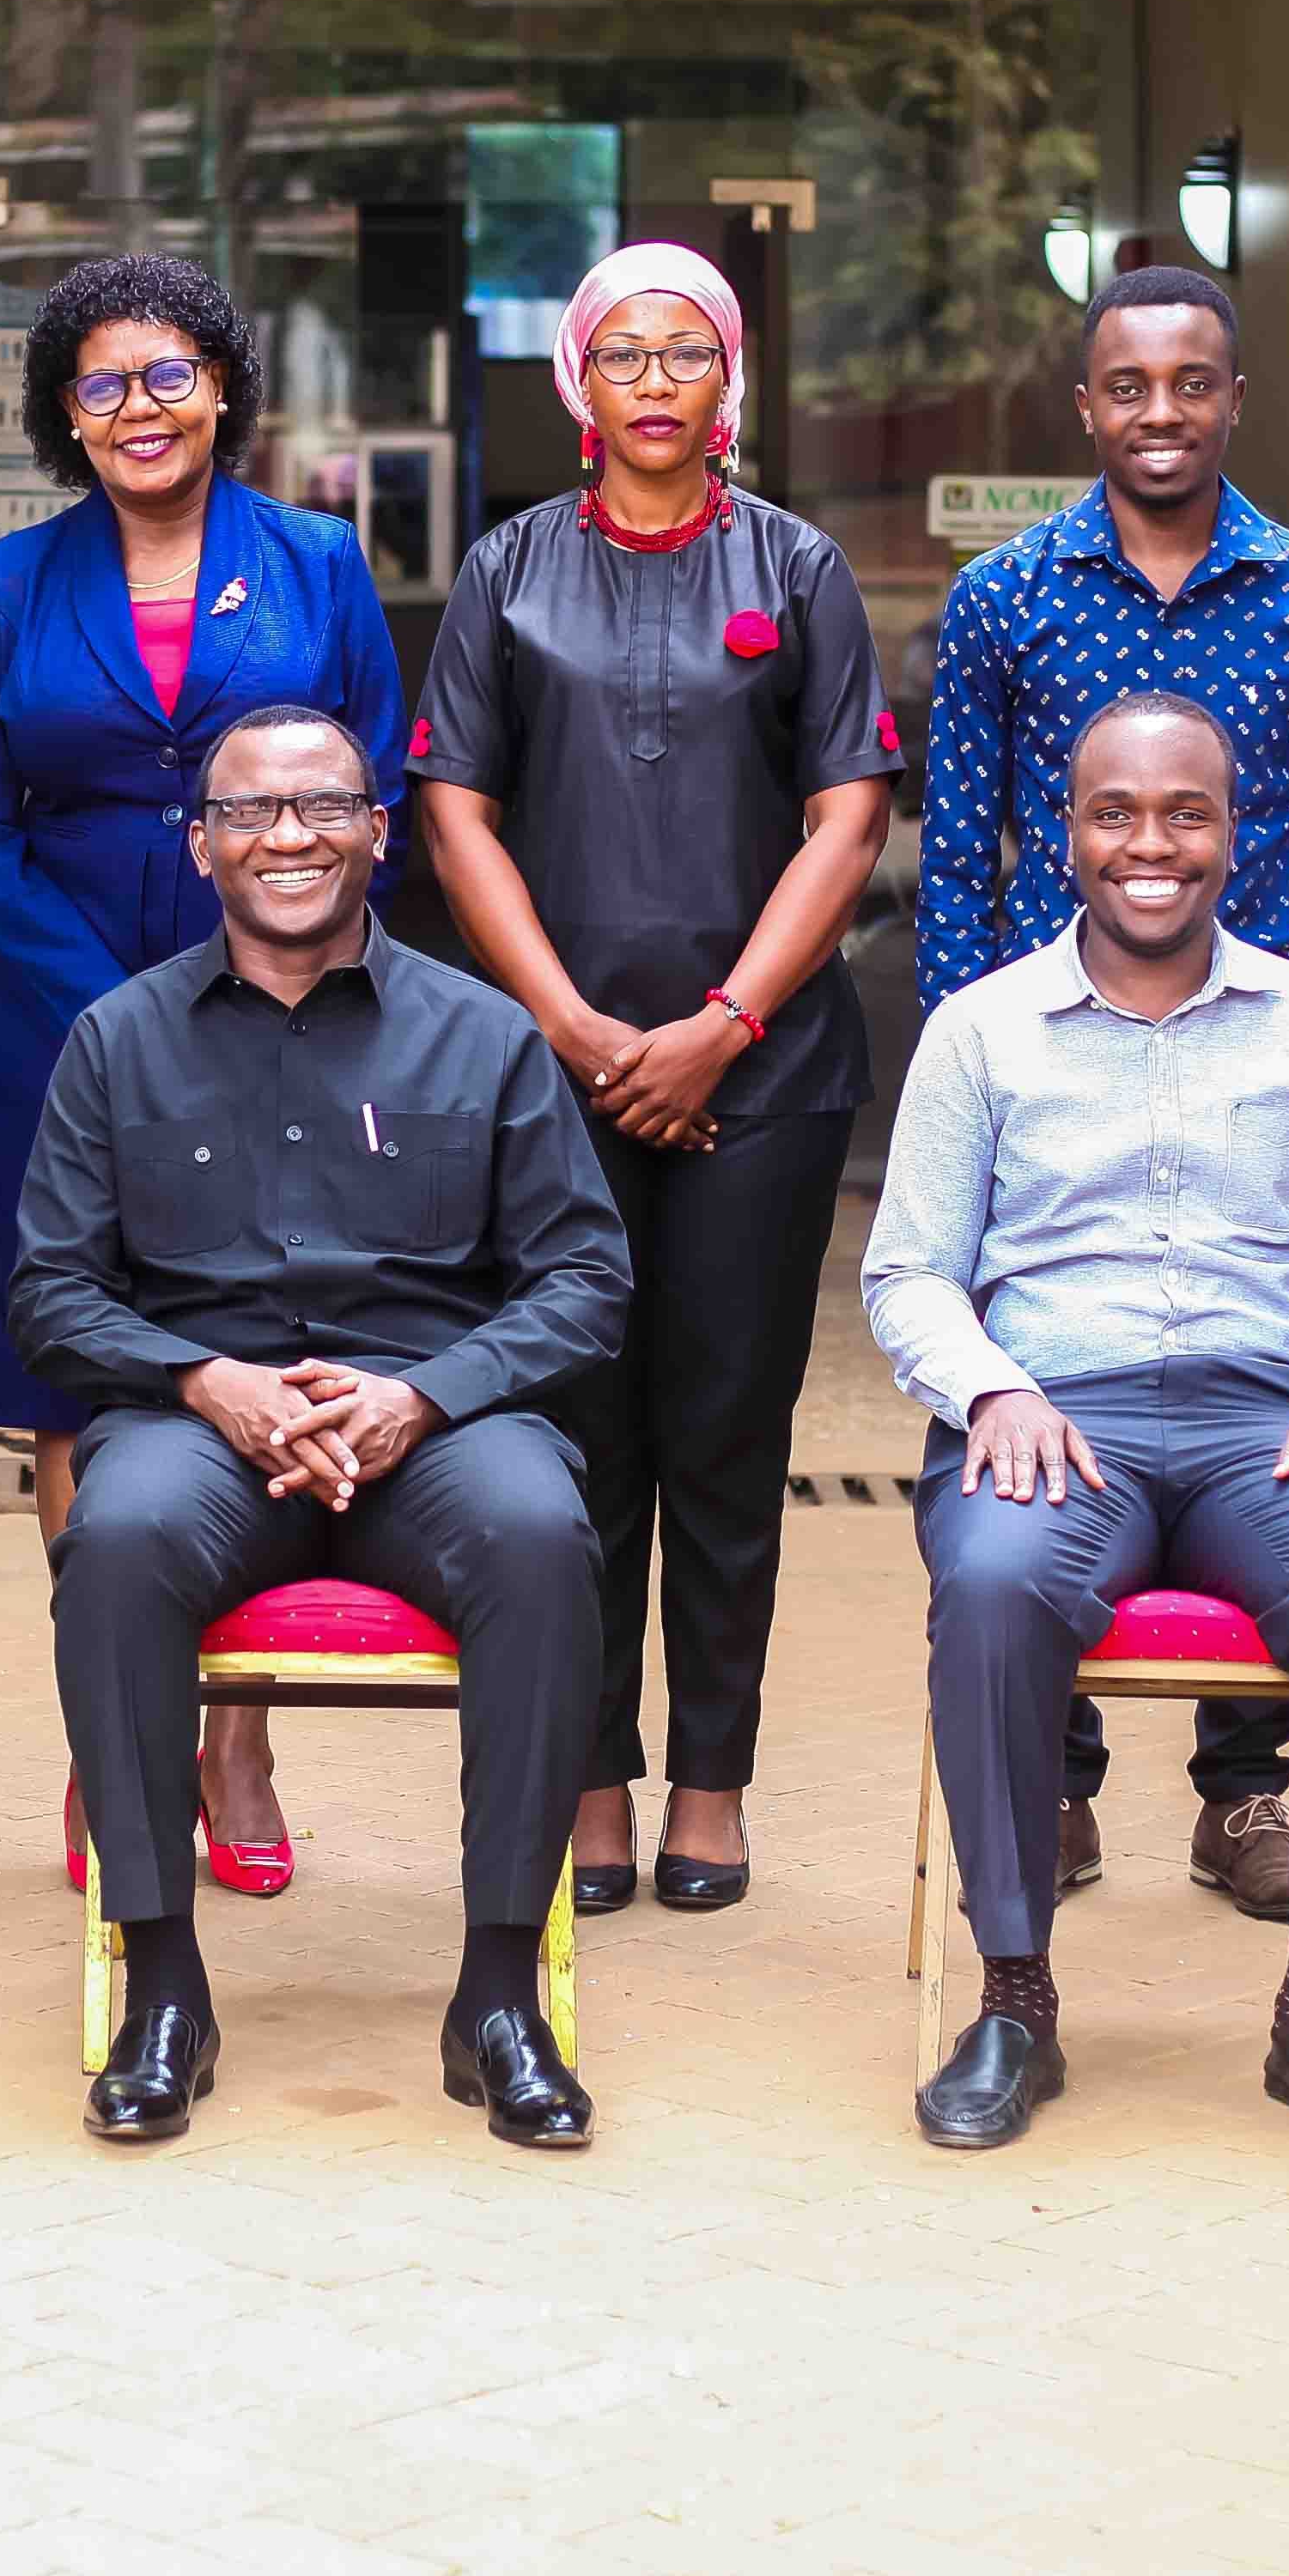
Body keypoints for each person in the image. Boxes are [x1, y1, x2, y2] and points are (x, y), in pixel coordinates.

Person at [14, 706, 630, 2150]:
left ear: (376, 830)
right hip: (204, 1424)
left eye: (318, 807)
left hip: (432, 1418)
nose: (284, 835)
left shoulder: (483, 1036)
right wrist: (200, 1378)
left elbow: (589, 1276)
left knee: (544, 1533)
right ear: (201, 846)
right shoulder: (117, 1041)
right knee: (113, 1539)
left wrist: (425, 1393)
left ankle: (498, 1994)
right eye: (247, 814)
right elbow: (46, 1288)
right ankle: (162, 1979)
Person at [867, 693, 1289, 2154]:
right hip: (1056, 1418)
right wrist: (991, 1386)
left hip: (1272, 1425)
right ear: (1067, 834)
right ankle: (1012, 2001)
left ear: (1230, 835)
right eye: (1115, 811)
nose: (1151, 843)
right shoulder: (980, 1029)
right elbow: (910, 1269)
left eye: (1185, 813)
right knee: (996, 1583)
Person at [916, 264, 1289, 1925]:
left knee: (1278, 1429)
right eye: (1128, 386)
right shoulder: (1005, 596)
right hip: (1057, 1058)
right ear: (1086, 408)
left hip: (1272, 1077)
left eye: (1192, 383)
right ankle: (1047, 1795)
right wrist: (978, 1072)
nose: (1160, 413)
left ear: (1234, 400)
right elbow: (963, 862)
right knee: (1037, 1419)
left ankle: (1241, 1793)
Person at [412, 240, 897, 1917]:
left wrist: (722, 1027)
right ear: (579, 382)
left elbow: (850, 811)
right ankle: (592, 1781)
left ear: (730, 376)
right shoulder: (505, 570)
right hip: (555, 1081)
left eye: (689, 352)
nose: (659, 381)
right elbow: (456, 807)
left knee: (725, 1434)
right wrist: (567, 1023)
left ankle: (713, 1780)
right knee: (574, 1437)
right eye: (627, 354)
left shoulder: (803, 566)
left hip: (757, 1082)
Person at [0, 253, 408, 1899]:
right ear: (66, 413)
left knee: (271, 1337)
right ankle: (113, 1729)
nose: (139, 408)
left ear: (220, 389)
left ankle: (244, 1731)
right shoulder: (11, 579)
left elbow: (373, 787)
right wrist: (121, 997)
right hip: (67, 1027)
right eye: (102, 384)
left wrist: (269, 966)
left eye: (168, 375)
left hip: (286, 1014)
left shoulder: (318, 561)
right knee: (79, 1369)